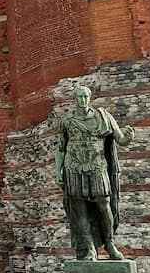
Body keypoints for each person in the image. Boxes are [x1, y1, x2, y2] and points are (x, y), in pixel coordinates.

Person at [54, 84, 135, 261]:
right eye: (79, 97)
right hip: (73, 167)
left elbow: (119, 138)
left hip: (97, 165)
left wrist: (128, 138)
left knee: (104, 204)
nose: (82, 100)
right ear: (74, 99)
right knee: (79, 209)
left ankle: (110, 243)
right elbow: (61, 148)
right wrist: (57, 170)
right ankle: (89, 248)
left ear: (89, 98)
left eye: (85, 97)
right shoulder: (66, 121)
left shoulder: (103, 116)